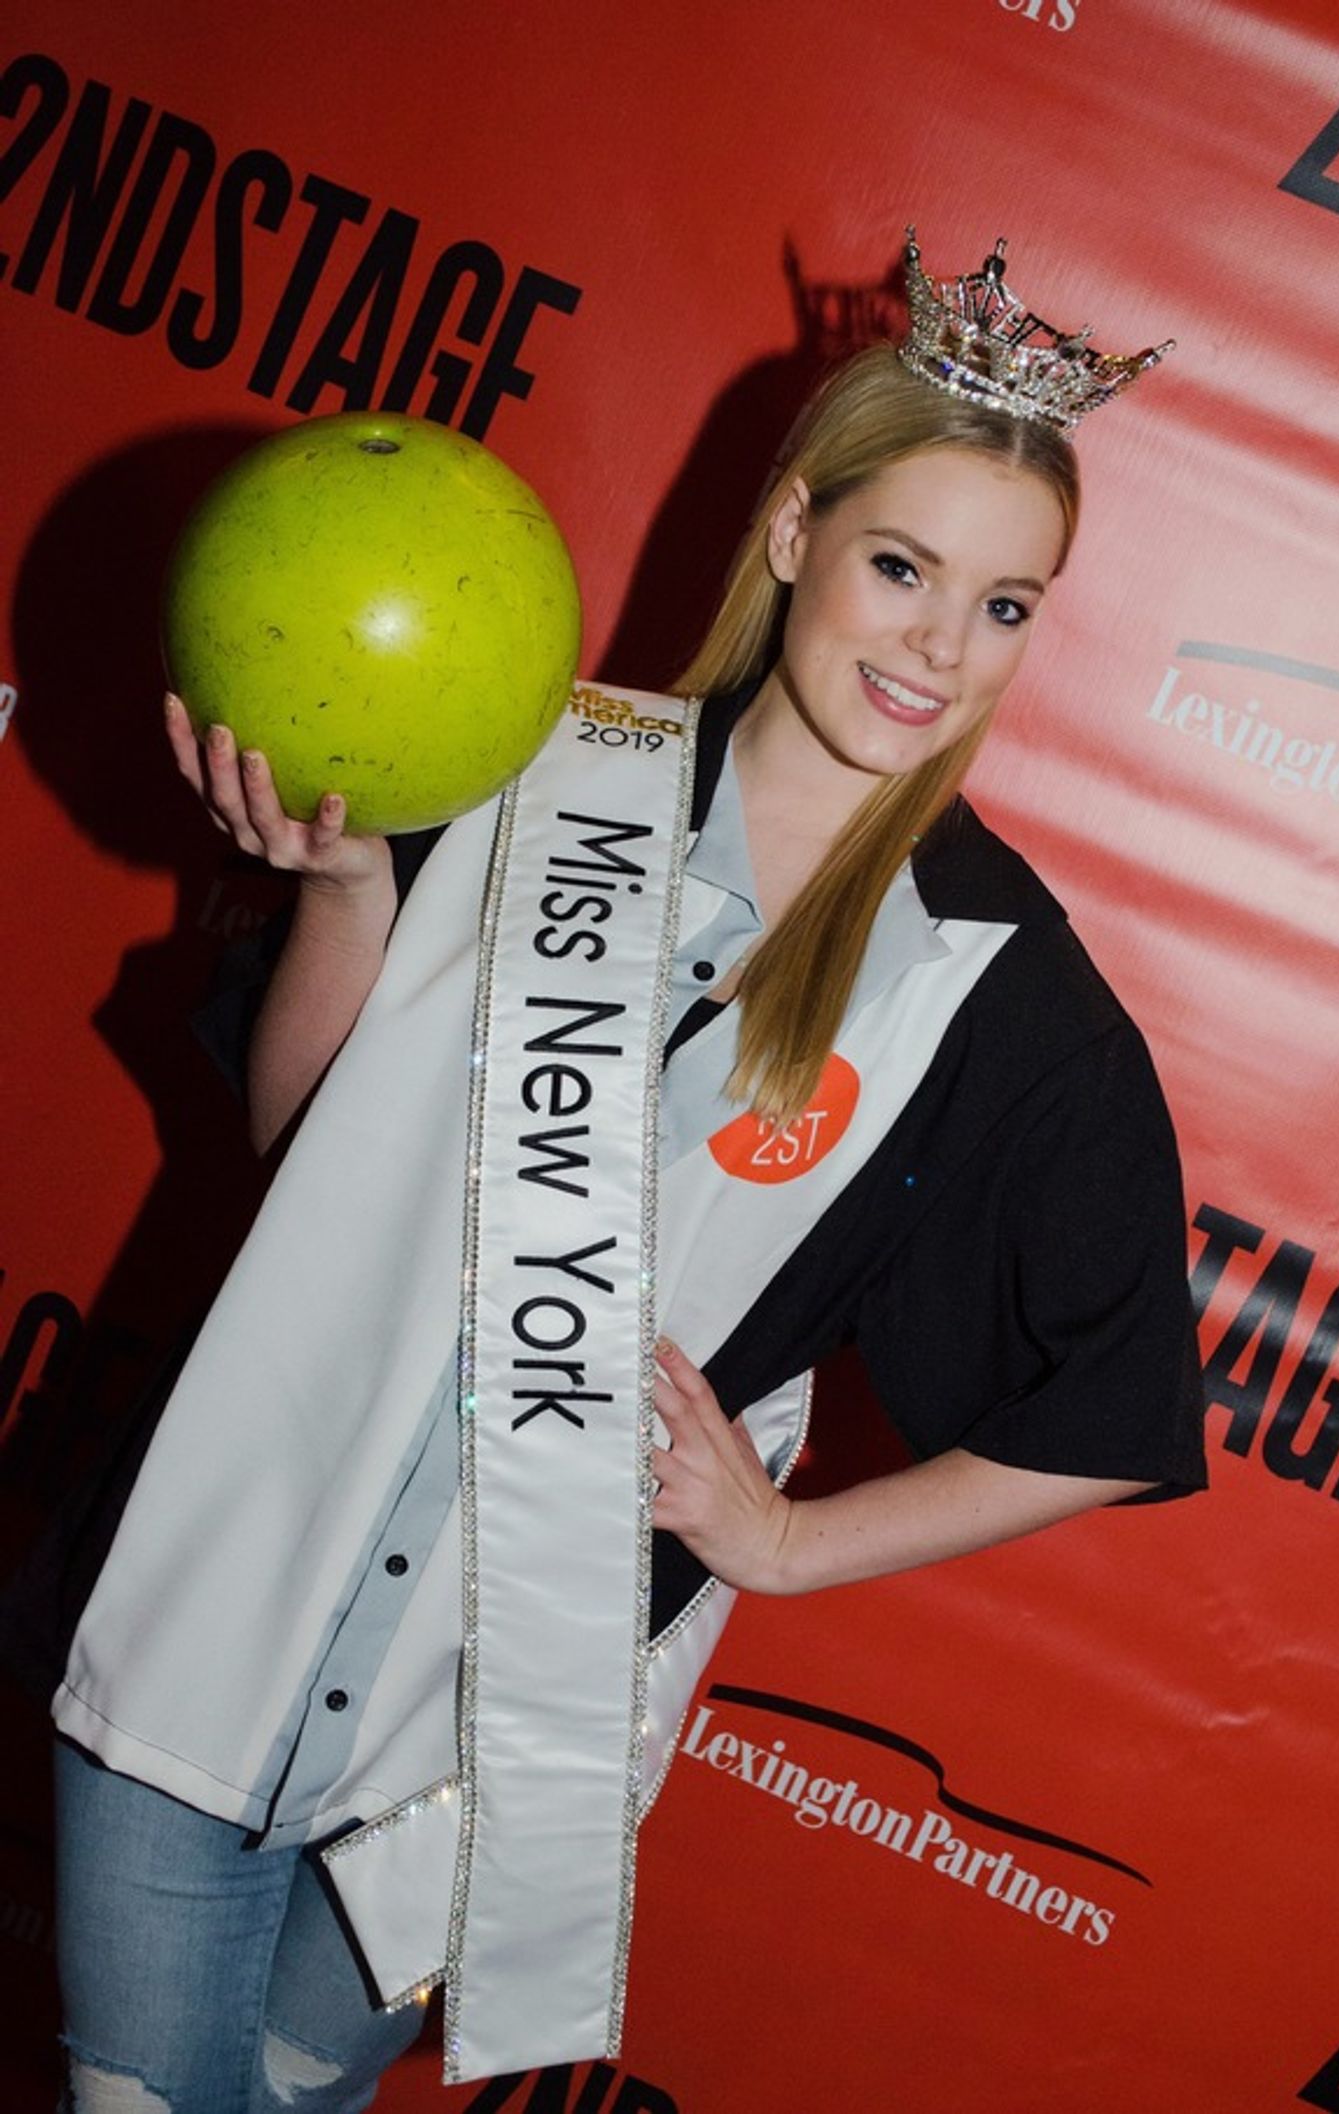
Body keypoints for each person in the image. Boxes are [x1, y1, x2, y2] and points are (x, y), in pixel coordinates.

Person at [48, 235, 1205, 2112]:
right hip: (222, 1603)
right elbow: (298, 1148)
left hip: (484, 1744)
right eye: (904, 568)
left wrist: (792, 1538)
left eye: (1006, 606)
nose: (937, 647)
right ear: (791, 536)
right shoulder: (530, 761)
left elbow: (1114, 1405)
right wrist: (351, 884)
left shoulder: (998, 997)